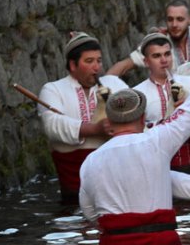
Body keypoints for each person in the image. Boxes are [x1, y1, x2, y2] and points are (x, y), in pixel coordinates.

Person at [79, 36, 190, 245]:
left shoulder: (90, 161)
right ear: (142, 118)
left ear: (109, 121)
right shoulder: (157, 140)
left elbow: (90, 214)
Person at [39, 32, 128, 202]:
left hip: (115, 193)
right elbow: (53, 126)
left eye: (99, 60)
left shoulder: (114, 85)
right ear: (73, 65)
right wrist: (95, 129)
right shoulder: (52, 90)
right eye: (89, 61)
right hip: (73, 195)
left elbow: (136, 114)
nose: (97, 68)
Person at [133, 32, 190, 177]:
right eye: (156, 56)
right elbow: (138, 131)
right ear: (146, 61)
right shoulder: (137, 93)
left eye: (167, 54)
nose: (164, 60)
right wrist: (172, 121)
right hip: (160, 166)